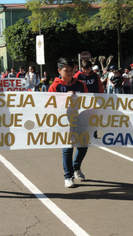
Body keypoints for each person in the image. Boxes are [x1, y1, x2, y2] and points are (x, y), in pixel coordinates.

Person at [48, 58, 88, 188]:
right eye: (67, 70)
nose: (70, 73)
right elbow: (49, 105)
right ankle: (68, 176)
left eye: (72, 70)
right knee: (67, 148)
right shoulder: (55, 86)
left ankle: (76, 167)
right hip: (63, 121)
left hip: (80, 119)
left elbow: (88, 101)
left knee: (83, 145)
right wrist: (65, 97)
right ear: (59, 71)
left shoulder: (80, 84)